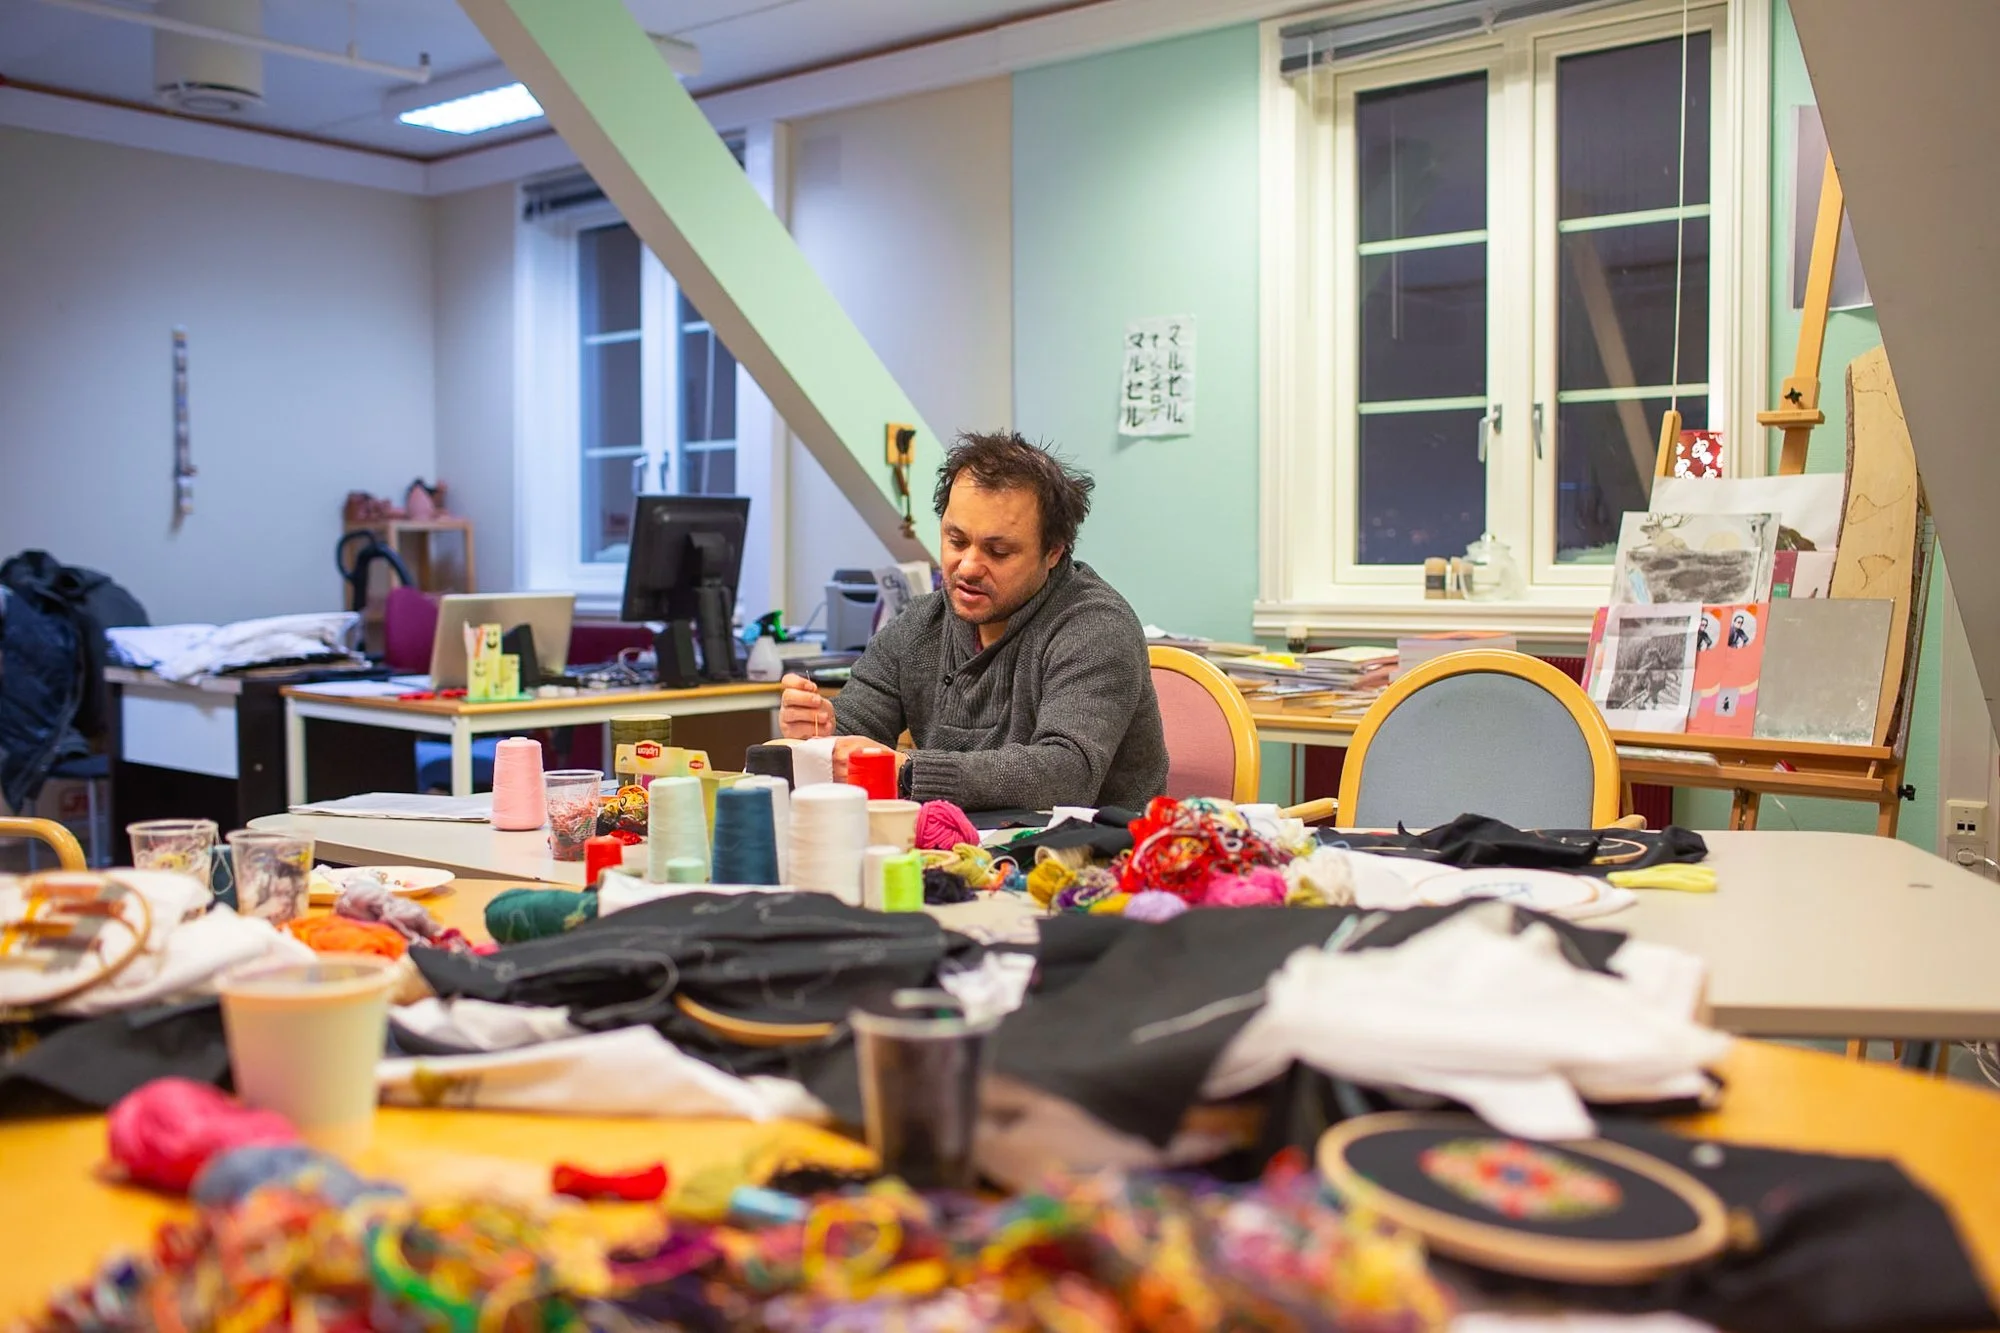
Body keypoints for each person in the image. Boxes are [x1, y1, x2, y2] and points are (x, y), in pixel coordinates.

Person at [780, 431, 1168, 811]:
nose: (967, 567)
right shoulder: (920, 625)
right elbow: (854, 730)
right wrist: (822, 734)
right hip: (955, 842)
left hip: (1092, 847)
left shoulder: (1095, 627)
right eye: (957, 540)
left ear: (1053, 552)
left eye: (998, 552)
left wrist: (911, 773)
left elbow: (1067, 772)